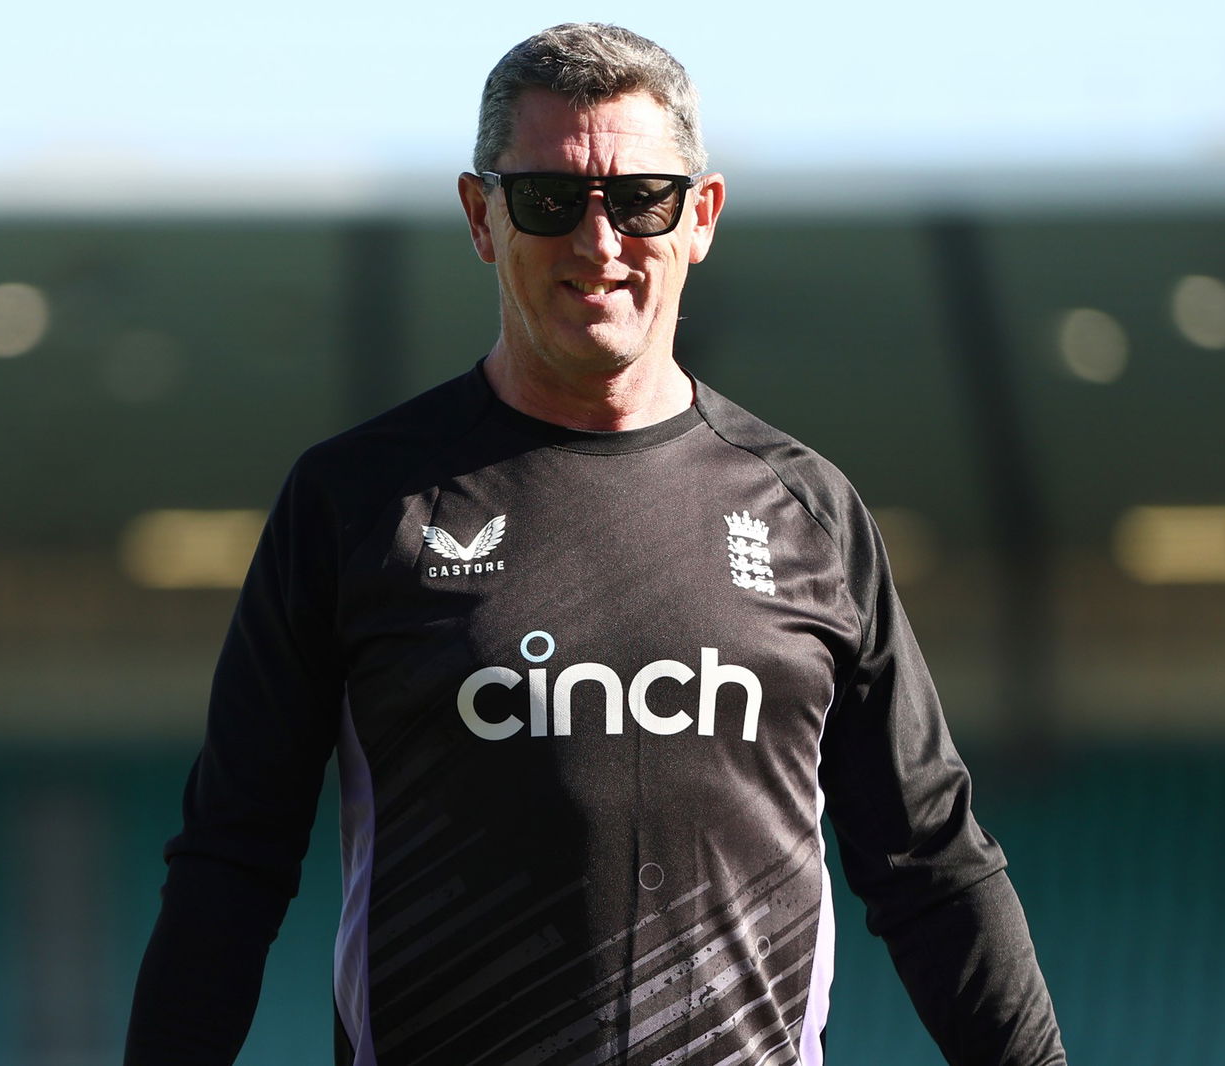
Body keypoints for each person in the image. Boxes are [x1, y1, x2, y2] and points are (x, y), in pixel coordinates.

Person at [126, 22, 1066, 1066]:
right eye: (548, 200)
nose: (599, 242)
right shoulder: (355, 503)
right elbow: (231, 861)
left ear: (699, 216)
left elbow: (931, 866)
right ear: (481, 218)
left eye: (639, 199)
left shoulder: (808, 509)